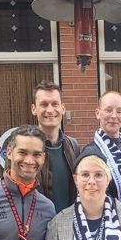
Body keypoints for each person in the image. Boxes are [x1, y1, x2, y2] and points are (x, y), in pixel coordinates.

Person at [80, 91, 121, 202]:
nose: (114, 116)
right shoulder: (91, 153)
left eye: (119, 111)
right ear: (97, 113)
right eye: (108, 110)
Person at [31, 80, 81, 213]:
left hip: (69, 225)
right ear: (34, 109)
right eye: (44, 104)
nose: (50, 110)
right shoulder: (24, 149)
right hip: (38, 227)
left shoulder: (73, 146)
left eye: (55, 104)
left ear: (63, 108)